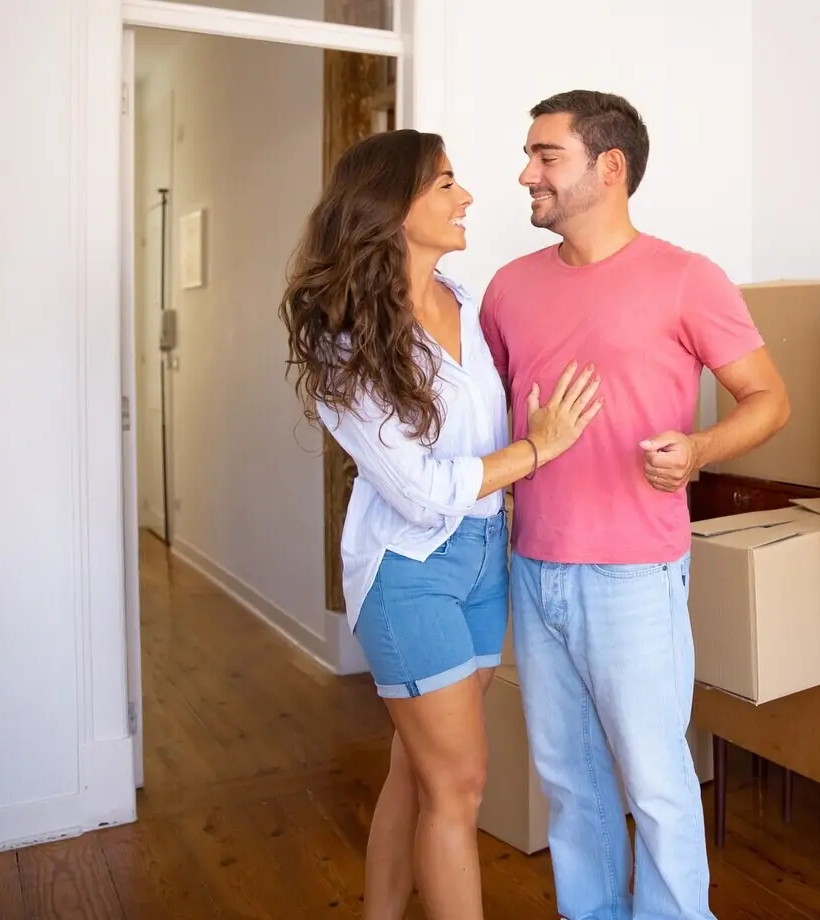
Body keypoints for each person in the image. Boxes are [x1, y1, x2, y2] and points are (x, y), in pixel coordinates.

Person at [278, 128, 603, 920]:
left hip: (485, 556)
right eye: (447, 184)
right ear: (392, 206)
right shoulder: (340, 338)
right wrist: (539, 449)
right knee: (460, 787)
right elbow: (422, 492)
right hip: (409, 570)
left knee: (416, 772)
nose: (468, 198)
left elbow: (480, 441)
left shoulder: (464, 299)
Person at [480, 90, 790, 920]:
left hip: (635, 577)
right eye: (531, 155)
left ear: (609, 168)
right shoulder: (508, 289)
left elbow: (767, 398)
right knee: (569, 785)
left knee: (654, 783)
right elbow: (506, 420)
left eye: (547, 156)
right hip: (534, 566)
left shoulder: (688, 278)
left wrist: (699, 451)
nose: (526, 174)